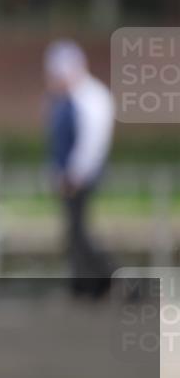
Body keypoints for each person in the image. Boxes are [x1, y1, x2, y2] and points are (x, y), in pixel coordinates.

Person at [44, 39, 116, 299]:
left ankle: (107, 280)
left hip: (81, 176)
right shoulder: (67, 98)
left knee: (79, 232)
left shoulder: (90, 97)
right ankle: (88, 286)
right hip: (71, 175)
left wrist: (75, 174)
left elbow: (92, 142)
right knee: (75, 232)